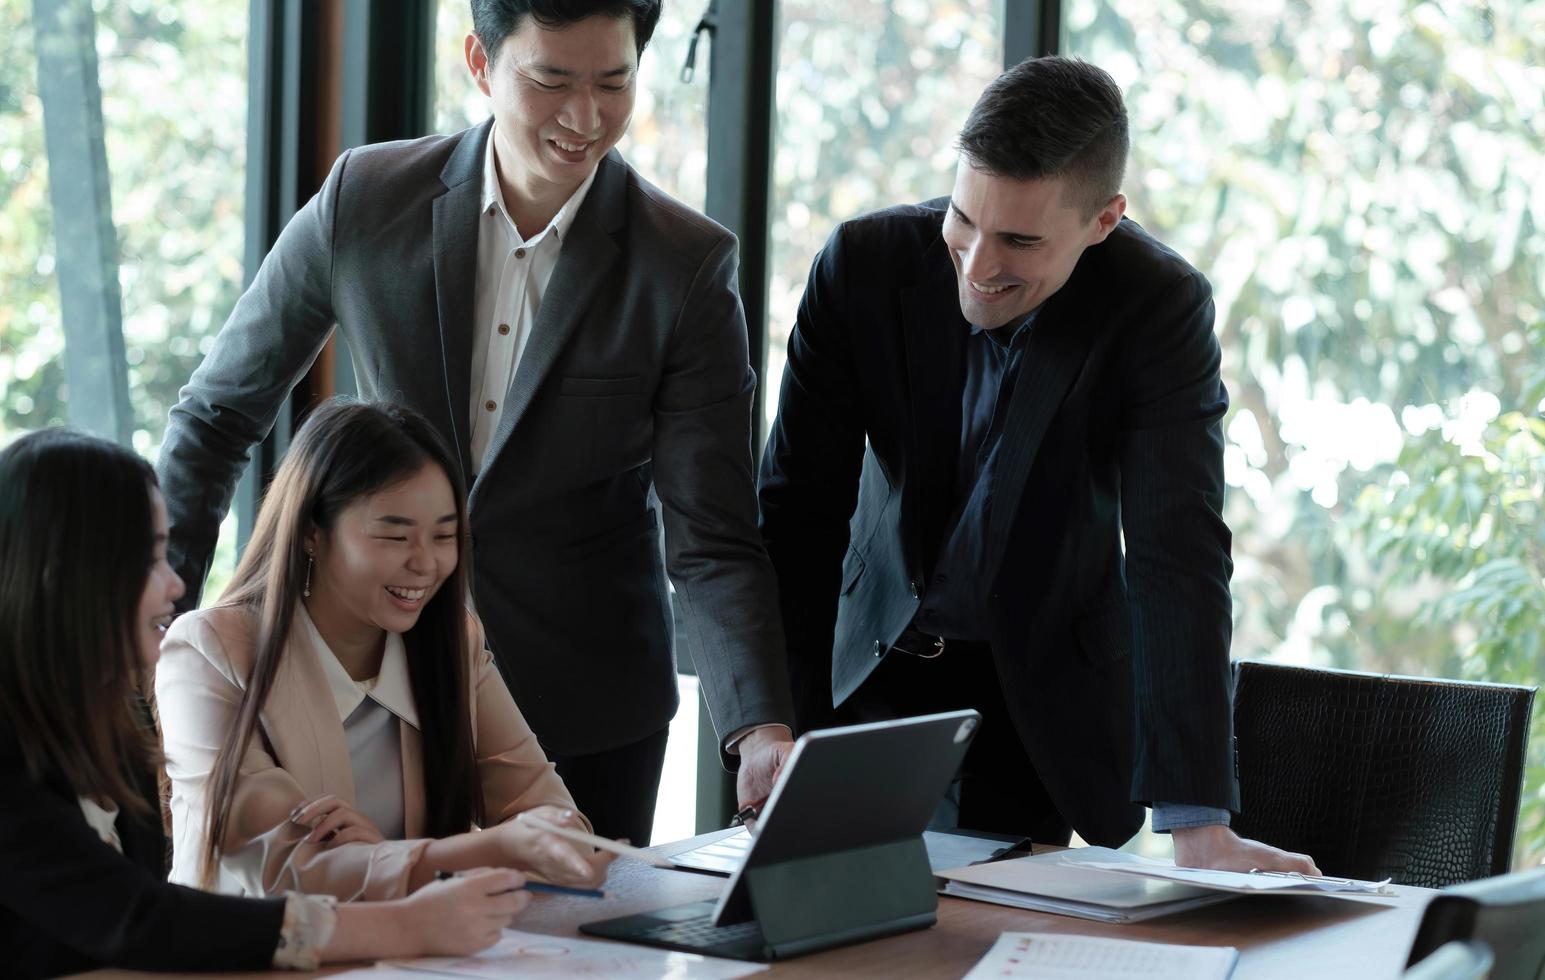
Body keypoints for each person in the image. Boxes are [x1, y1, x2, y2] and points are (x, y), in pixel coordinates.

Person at [156, 0, 794, 845]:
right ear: (481, 63)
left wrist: (758, 727)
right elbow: (216, 415)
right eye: (551, 80)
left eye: (613, 81)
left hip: (585, 701)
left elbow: (710, 533)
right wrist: (150, 629)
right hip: (366, 669)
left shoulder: (683, 264)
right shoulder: (366, 200)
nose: (585, 117)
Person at [758, 56, 1319, 873]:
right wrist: (772, 724)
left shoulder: (1156, 308)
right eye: (963, 220)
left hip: (1032, 695)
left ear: (1103, 221)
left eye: (1019, 240)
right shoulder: (862, 265)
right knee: (817, 929)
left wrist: (1199, 824)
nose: (979, 265)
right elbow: (795, 517)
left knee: (993, 942)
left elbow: (1177, 556)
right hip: (863, 671)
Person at [0, 428, 530, 978]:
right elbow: (137, 918)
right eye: (147, 559)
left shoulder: (112, 713)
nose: (175, 584)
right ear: (61, 572)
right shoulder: (206, 653)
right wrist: (410, 924)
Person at [156, 400, 613, 899]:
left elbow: (554, 824)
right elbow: (277, 869)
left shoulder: (453, 640)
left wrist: (384, 860)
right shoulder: (209, 651)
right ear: (312, 532)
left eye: (444, 535)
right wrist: (454, 856)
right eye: (394, 535)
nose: (426, 563)